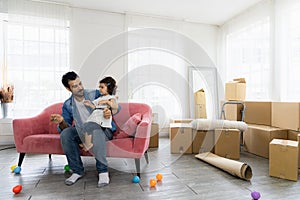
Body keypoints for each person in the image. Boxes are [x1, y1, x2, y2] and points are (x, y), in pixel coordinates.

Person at [50, 71, 119, 187]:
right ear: (68, 89)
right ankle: (77, 171)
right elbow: (65, 127)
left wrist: (109, 112)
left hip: (103, 129)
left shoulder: (96, 94)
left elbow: (114, 104)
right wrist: (61, 121)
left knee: (96, 130)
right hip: (83, 131)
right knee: (66, 134)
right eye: (75, 86)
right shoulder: (67, 105)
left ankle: (103, 171)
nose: (80, 88)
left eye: (80, 83)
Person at [80, 76, 118, 151]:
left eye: (102, 87)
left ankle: (88, 144)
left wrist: (107, 102)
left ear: (109, 88)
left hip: (102, 118)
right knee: (87, 126)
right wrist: (89, 104)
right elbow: (95, 107)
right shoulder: (100, 98)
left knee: (91, 126)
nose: (100, 89)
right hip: (96, 115)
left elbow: (115, 106)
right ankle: (87, 143)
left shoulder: (111, 97)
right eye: (99, 87)